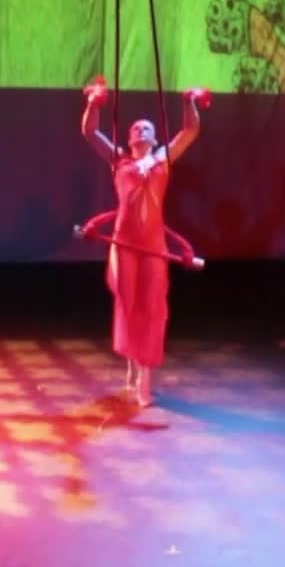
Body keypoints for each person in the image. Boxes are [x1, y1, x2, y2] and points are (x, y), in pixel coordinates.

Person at [79, 76, 204, 406]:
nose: (141, 130)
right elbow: (90, 131)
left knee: (153, 305)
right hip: (124, 244)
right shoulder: (119, 160)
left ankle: (145, 373)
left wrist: (188, 101)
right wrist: (94, 102)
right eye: (136, 128)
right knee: (128, 302)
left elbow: (190, 131)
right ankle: (133, 361)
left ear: (155, 137)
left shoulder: (164, 159)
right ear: (129, 137)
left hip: (152, 246)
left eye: (147, 127)